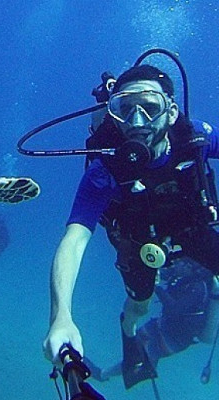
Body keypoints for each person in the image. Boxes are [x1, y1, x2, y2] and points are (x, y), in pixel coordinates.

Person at [42, 64, 219, 389]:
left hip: (192, 229)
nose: (138, 122)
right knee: (140, 305)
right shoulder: (104, 170)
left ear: (171, 111)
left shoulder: (196, 139)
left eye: (150, 108)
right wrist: (61, 317)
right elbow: (74, 239)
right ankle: (129, 328)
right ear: (114, 113)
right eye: (126, 109)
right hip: (136, 243)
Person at [84, 259, 219, 385]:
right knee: (138, 349)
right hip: (166, 327)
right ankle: (114, 372)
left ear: (189, 267)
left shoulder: (198, 288)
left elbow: (174, 309)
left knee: (141, 354)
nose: (176, 264)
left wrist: (155, 287)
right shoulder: (187, 280)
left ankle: (103, 374)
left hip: (174, 336)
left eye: (180, 262)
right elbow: (164, 274)